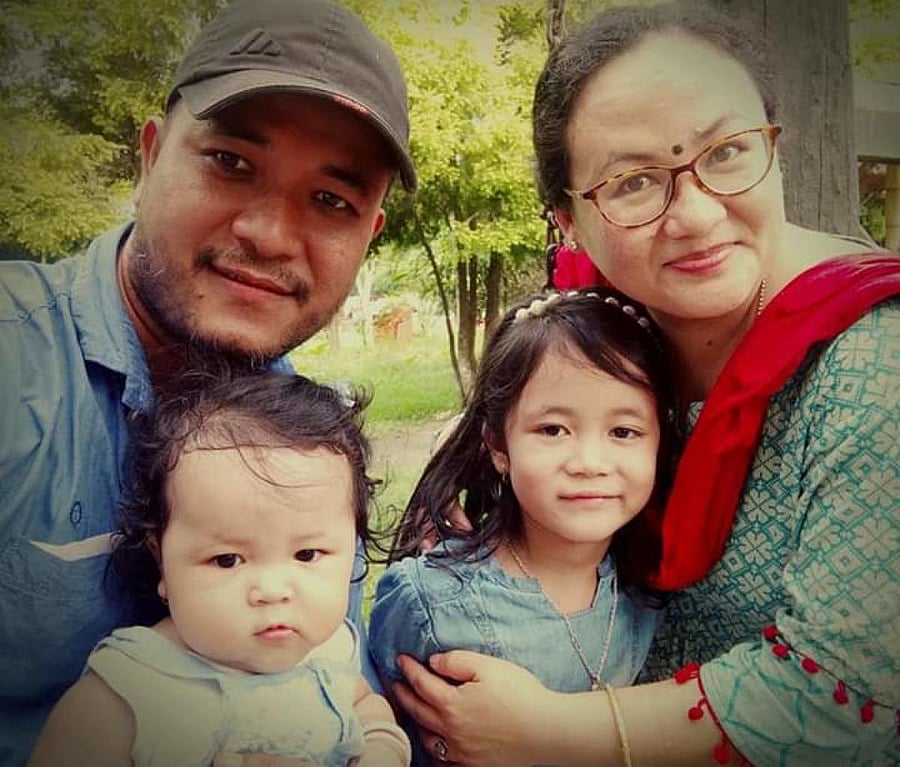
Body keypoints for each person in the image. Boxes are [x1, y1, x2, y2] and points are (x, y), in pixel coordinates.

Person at [389, 3, 900, 766]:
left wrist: (544, 730)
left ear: (775, 146)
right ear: (567, 220)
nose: (695, 215)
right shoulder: (606, 325)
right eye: (632, 181)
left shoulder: (874, 365)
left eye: (728, 150)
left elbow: (840, 698)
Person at [0, 0, 416, 763]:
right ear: (150, 156)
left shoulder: (312, 453)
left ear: (369, 235)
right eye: (231, 162)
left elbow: (339, 686)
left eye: (332, 200)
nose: (270, 233)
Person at [28, 371, 410, 767]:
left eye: (307, 554)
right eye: (227, 560)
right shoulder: (128, 692)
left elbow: (367, 708)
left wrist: (382, 751)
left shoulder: (327, 650)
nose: (273, 590)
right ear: (161, 561)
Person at [368, 289, 678, 763]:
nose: (589, 462)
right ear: (498, 446)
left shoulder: (649, 589)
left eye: (623, 432)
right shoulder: (430, 602)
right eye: (553, 430)